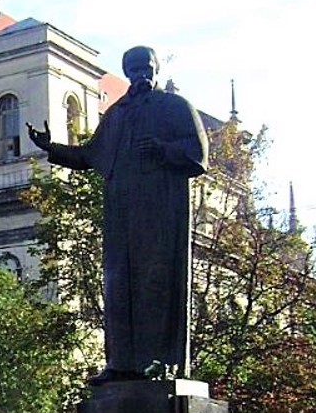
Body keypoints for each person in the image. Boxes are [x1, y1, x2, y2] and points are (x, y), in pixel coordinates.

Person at [27, 46, 207, 384]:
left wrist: (163, 149)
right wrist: (50, 148)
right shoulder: (118, 114)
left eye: (145, 68)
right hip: (120, 216)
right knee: (118, 287)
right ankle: (120, 364)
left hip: (159, 217)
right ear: (126, 73)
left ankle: (162, 366)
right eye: (134, 69)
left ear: (155, 70)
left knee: (156, 286)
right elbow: (89, 155)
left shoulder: (174, 107)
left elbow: (198, 154)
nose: (140, 74)